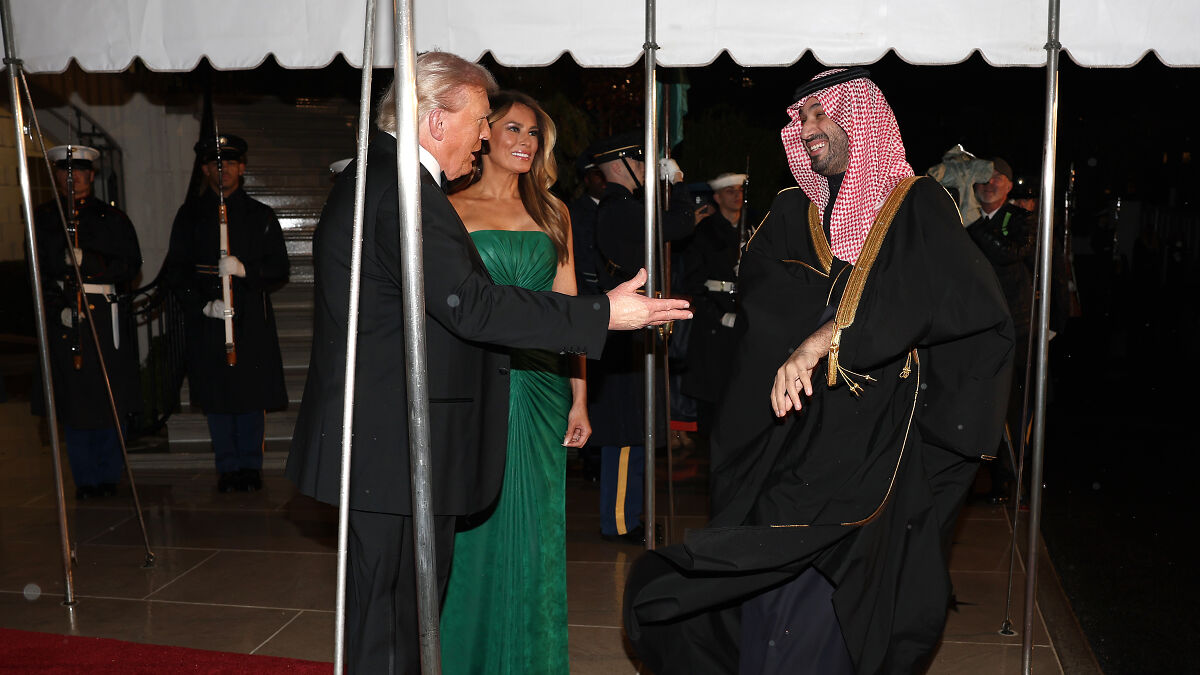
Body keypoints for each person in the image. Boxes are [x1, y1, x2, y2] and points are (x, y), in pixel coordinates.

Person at [284, 51, 690, 675]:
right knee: (390, 626)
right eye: (478, 120)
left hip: (390, 437)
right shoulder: (401, 192)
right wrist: (600, 314)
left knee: (395, 617)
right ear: (435, 118)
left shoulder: (391, 183)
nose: (483, 135)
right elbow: (469, 306)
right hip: (392, 445)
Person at [624, 67, 1014, 674]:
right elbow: (761, 314)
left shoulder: (914, 208)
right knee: (767, 561)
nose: (804, 130)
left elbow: (942, 299)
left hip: (873, 442)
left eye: (817, 115)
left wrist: (828, 338)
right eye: (798, 119)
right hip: (784, 435)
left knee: (839, 584)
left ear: (858, 118)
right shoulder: (787, 213)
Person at [433, 89, 587, 673]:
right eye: (515, 130)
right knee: (474, 525)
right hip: (477, 381)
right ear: (485, 134)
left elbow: (570, 312)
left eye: (535, 136)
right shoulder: (447, 209)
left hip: (543, 385)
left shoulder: (553, 212)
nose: (526, 143)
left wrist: (579, 399)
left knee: (537, 535)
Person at [164, 133, 289, 493]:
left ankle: (250, 465)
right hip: (209, 319)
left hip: (249, 319)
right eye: (215, 164)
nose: (223, 170)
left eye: (230, 163)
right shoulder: (189, 217)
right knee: (216, 393)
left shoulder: (261, 216)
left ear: (242, 168)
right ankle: (227, 465)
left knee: (250, 393)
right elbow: (176, 271)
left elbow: (279, 268)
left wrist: (245, 270)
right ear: (205, 170)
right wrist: (202, 304)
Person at [589, 131, 695, 543]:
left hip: (631, 327)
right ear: (621, 165)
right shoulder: (619, 208)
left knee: (634, 431)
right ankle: (618, 521)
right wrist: (678, 182)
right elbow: (681, 224)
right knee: (624, 432)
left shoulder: (624, 207)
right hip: (622, 330)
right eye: (641, 163)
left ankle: (629, 515)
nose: (646, 170)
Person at [31, 145, 142, 499]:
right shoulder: (44, 219)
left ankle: (109, 474)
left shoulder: (114, 219)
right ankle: (85, 478)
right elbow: (36, 275)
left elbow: (130, 266)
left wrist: (90, 261)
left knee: (109, 396)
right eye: (64, 172)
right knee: (75, 400)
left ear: (91, 176)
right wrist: (56, 310)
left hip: (102, 315)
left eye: (78, 171)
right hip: (65, 315)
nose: (71, 178)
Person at [966, 157, 1035, 504]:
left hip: (1015, 330)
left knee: (1013, 406)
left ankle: (1009, 482)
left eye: (997, 178)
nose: (988, 182)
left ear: (1009, 185)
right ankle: (985, 479)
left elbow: (1012, 253)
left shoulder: (1019, 218)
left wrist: (975, 224)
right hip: (975, 330)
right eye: (982, 177)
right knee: (979, 403)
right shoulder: (962, 219)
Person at [681, 171, 749, 432]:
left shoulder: (752, 229)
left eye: (740, 191)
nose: (737, 196)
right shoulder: (704, 232)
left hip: (743, 315)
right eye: (730, 191)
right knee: (713, 399)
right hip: (714, 322)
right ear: (718, 197)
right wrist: (718, 315)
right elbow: (693, 284)